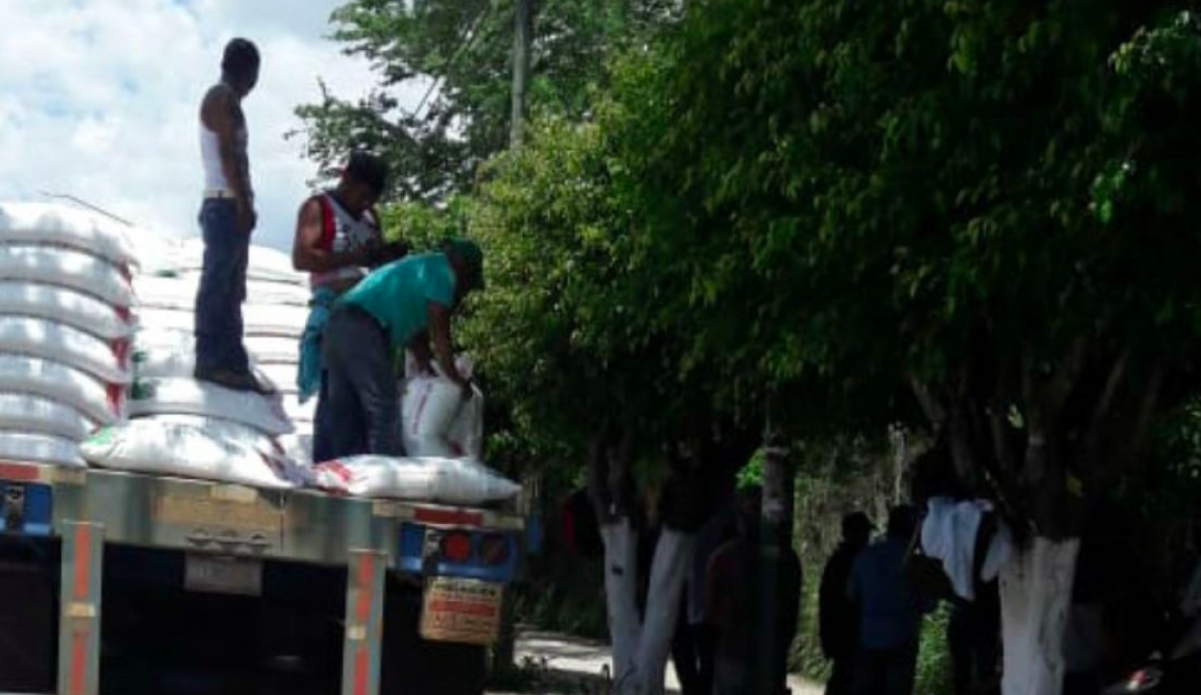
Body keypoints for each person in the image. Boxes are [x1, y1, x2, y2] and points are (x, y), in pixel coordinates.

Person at [316, 239, 483, 459]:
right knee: (382, 406)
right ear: (462, 266)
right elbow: (440, 332)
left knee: (342, 409)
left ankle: (331, 471)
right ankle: (388, 476)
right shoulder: (443, 273)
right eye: (469, 282)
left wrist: (426, 360)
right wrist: (454, 377)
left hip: (338, 320)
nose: (464, 291)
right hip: (364, 327)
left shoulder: (419, 267)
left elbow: (414, 333)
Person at [291, 152, 407, 463]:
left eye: (373, 198)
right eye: (363, 195)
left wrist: (387, 255)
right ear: (348, 180)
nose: (366, 204)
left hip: (370, 317)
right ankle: (358, 464)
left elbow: (374, 261)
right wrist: (354, 258)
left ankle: (349, 466)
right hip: (338, 312)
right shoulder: (319, 209)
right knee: (356, 400)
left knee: (351, 402)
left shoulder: (371, 219)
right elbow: (302, 258)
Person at [194, 38, 266, 392]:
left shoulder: (230, 101)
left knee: (233, 287)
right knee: (217, 284)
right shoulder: (221, 98)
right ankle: (210, 360)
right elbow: (227, 155)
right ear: (248, 72)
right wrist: (242, 202)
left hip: (231, 203)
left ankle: (233, 361)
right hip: (224, 204)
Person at [705, 486, 802, 695]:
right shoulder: (786, 559)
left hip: (740, 654)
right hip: (755, 655)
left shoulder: (725, 557)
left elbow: (711, 612)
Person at [848, 506, 933, 695]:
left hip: (869, 637)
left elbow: (851, 595)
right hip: (903, 638)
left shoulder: (866, 556)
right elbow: (929, 604)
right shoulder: (916, 561)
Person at [820, 512, 872, 695]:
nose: (868, 537)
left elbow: (825, 602)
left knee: (842, 677)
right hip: (851, 634)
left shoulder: (836, 561)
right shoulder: (856, 561)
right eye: (865, 532)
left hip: (839, 634)